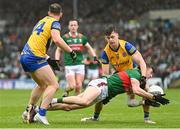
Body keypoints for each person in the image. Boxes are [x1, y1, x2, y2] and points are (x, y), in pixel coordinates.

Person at [82, 25, 155, 124]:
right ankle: (95, 117)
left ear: (117, 35)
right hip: (120, 77)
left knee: (146, 89)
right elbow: (105, 73)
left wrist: (143, 77)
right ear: (105, 38)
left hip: (133, 74)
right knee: (101, 95)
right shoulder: (105, 53)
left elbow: (141, 61)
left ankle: (147, 118)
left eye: (112, 37)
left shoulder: (126, 46)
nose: (110, 40)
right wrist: (105, 86)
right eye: (108, 38)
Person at [20, 3, 77, 125]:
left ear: (49, 12)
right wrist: (70, 51)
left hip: (25, 55)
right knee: (54, 85)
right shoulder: (55, 23)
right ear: (60, 14)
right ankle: (41, 114)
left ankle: (27, 111)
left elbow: (36, 41)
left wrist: (48, 59)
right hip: (34, 57)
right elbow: (57, 39)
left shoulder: (42, 21)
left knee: (42, 85)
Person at [48, 65, 169, 117]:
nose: (151, 75)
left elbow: (130, 103)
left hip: (102, 93)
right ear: (144, 69)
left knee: (68, 107)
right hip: (101, 85)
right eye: (151, 72)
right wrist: (152, 97)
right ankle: (52, 100)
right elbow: (137, 90)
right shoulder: (135, 73)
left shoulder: (137, 81)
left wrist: (144, 102)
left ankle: (39, 109)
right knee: (84, 101)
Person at [55, 19, 97, 96]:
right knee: (72, 86)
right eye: (71, 25)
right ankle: (66, 89)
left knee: (79, 86)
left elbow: (89, 48)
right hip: (69, 64)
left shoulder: (82, 37)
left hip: (80, 63)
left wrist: (94, 57)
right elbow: (58, 50)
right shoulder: (65, 37)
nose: (73, 27)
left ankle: (76, 103)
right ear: (69, 27)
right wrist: (57, 60)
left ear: (77, 26)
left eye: (75, 25)